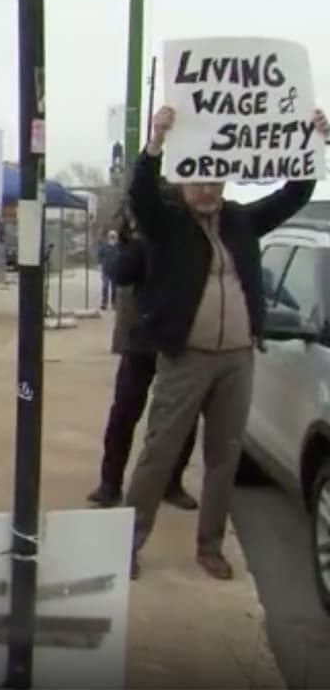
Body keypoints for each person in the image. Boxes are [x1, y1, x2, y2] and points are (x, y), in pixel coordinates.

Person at [124, 105, 327, 580]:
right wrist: (155, 142)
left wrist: (315, 143)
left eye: (217, 180)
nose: (209, 189)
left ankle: (210, 545)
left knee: (225, 455)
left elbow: (293, 194)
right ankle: (129, 540)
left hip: (238, 359)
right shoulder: (168, 223)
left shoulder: (240, 221)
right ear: (183, 182)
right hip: (185, 358)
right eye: (199, 180)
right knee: (159, 451)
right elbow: (140, 196)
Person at [88, 205, 199, 510]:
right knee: (124, 412)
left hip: (176, 339)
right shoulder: (138, 242)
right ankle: (109, 484)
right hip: (139, 340)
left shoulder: (185, 242)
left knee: (181, 419)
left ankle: (171, 482)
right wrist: (125, 243)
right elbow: (119, 273)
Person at [98, 229, 119, 310]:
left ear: (116, 238)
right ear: (109, 237)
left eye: (114, 237)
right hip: (105, 270)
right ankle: (104, 303)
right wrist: (100, 264)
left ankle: (114, 303)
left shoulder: (118, 247)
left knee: (114, 288)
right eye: (111, 236)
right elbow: (100, 255)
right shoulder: (104, 246)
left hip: (115, 271)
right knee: (105, 286)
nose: (112, 238)